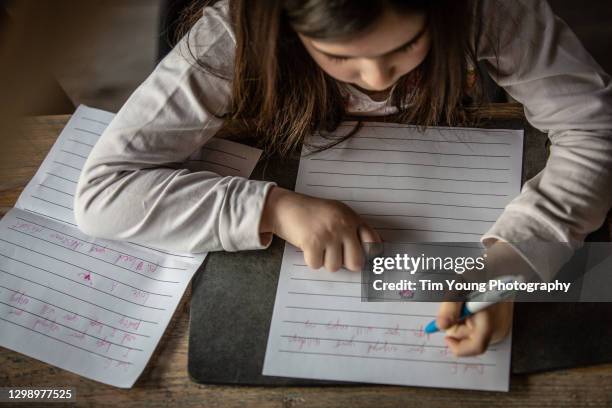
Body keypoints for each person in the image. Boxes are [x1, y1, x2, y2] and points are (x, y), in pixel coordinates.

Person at [73, 0, 612, 357]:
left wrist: (509, 261)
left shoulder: (490, 9)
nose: (378, 79)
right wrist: (273, 209)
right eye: (339, 56)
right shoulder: (230, 35)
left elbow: (595, 132)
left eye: (406, 44)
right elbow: (104, 194)